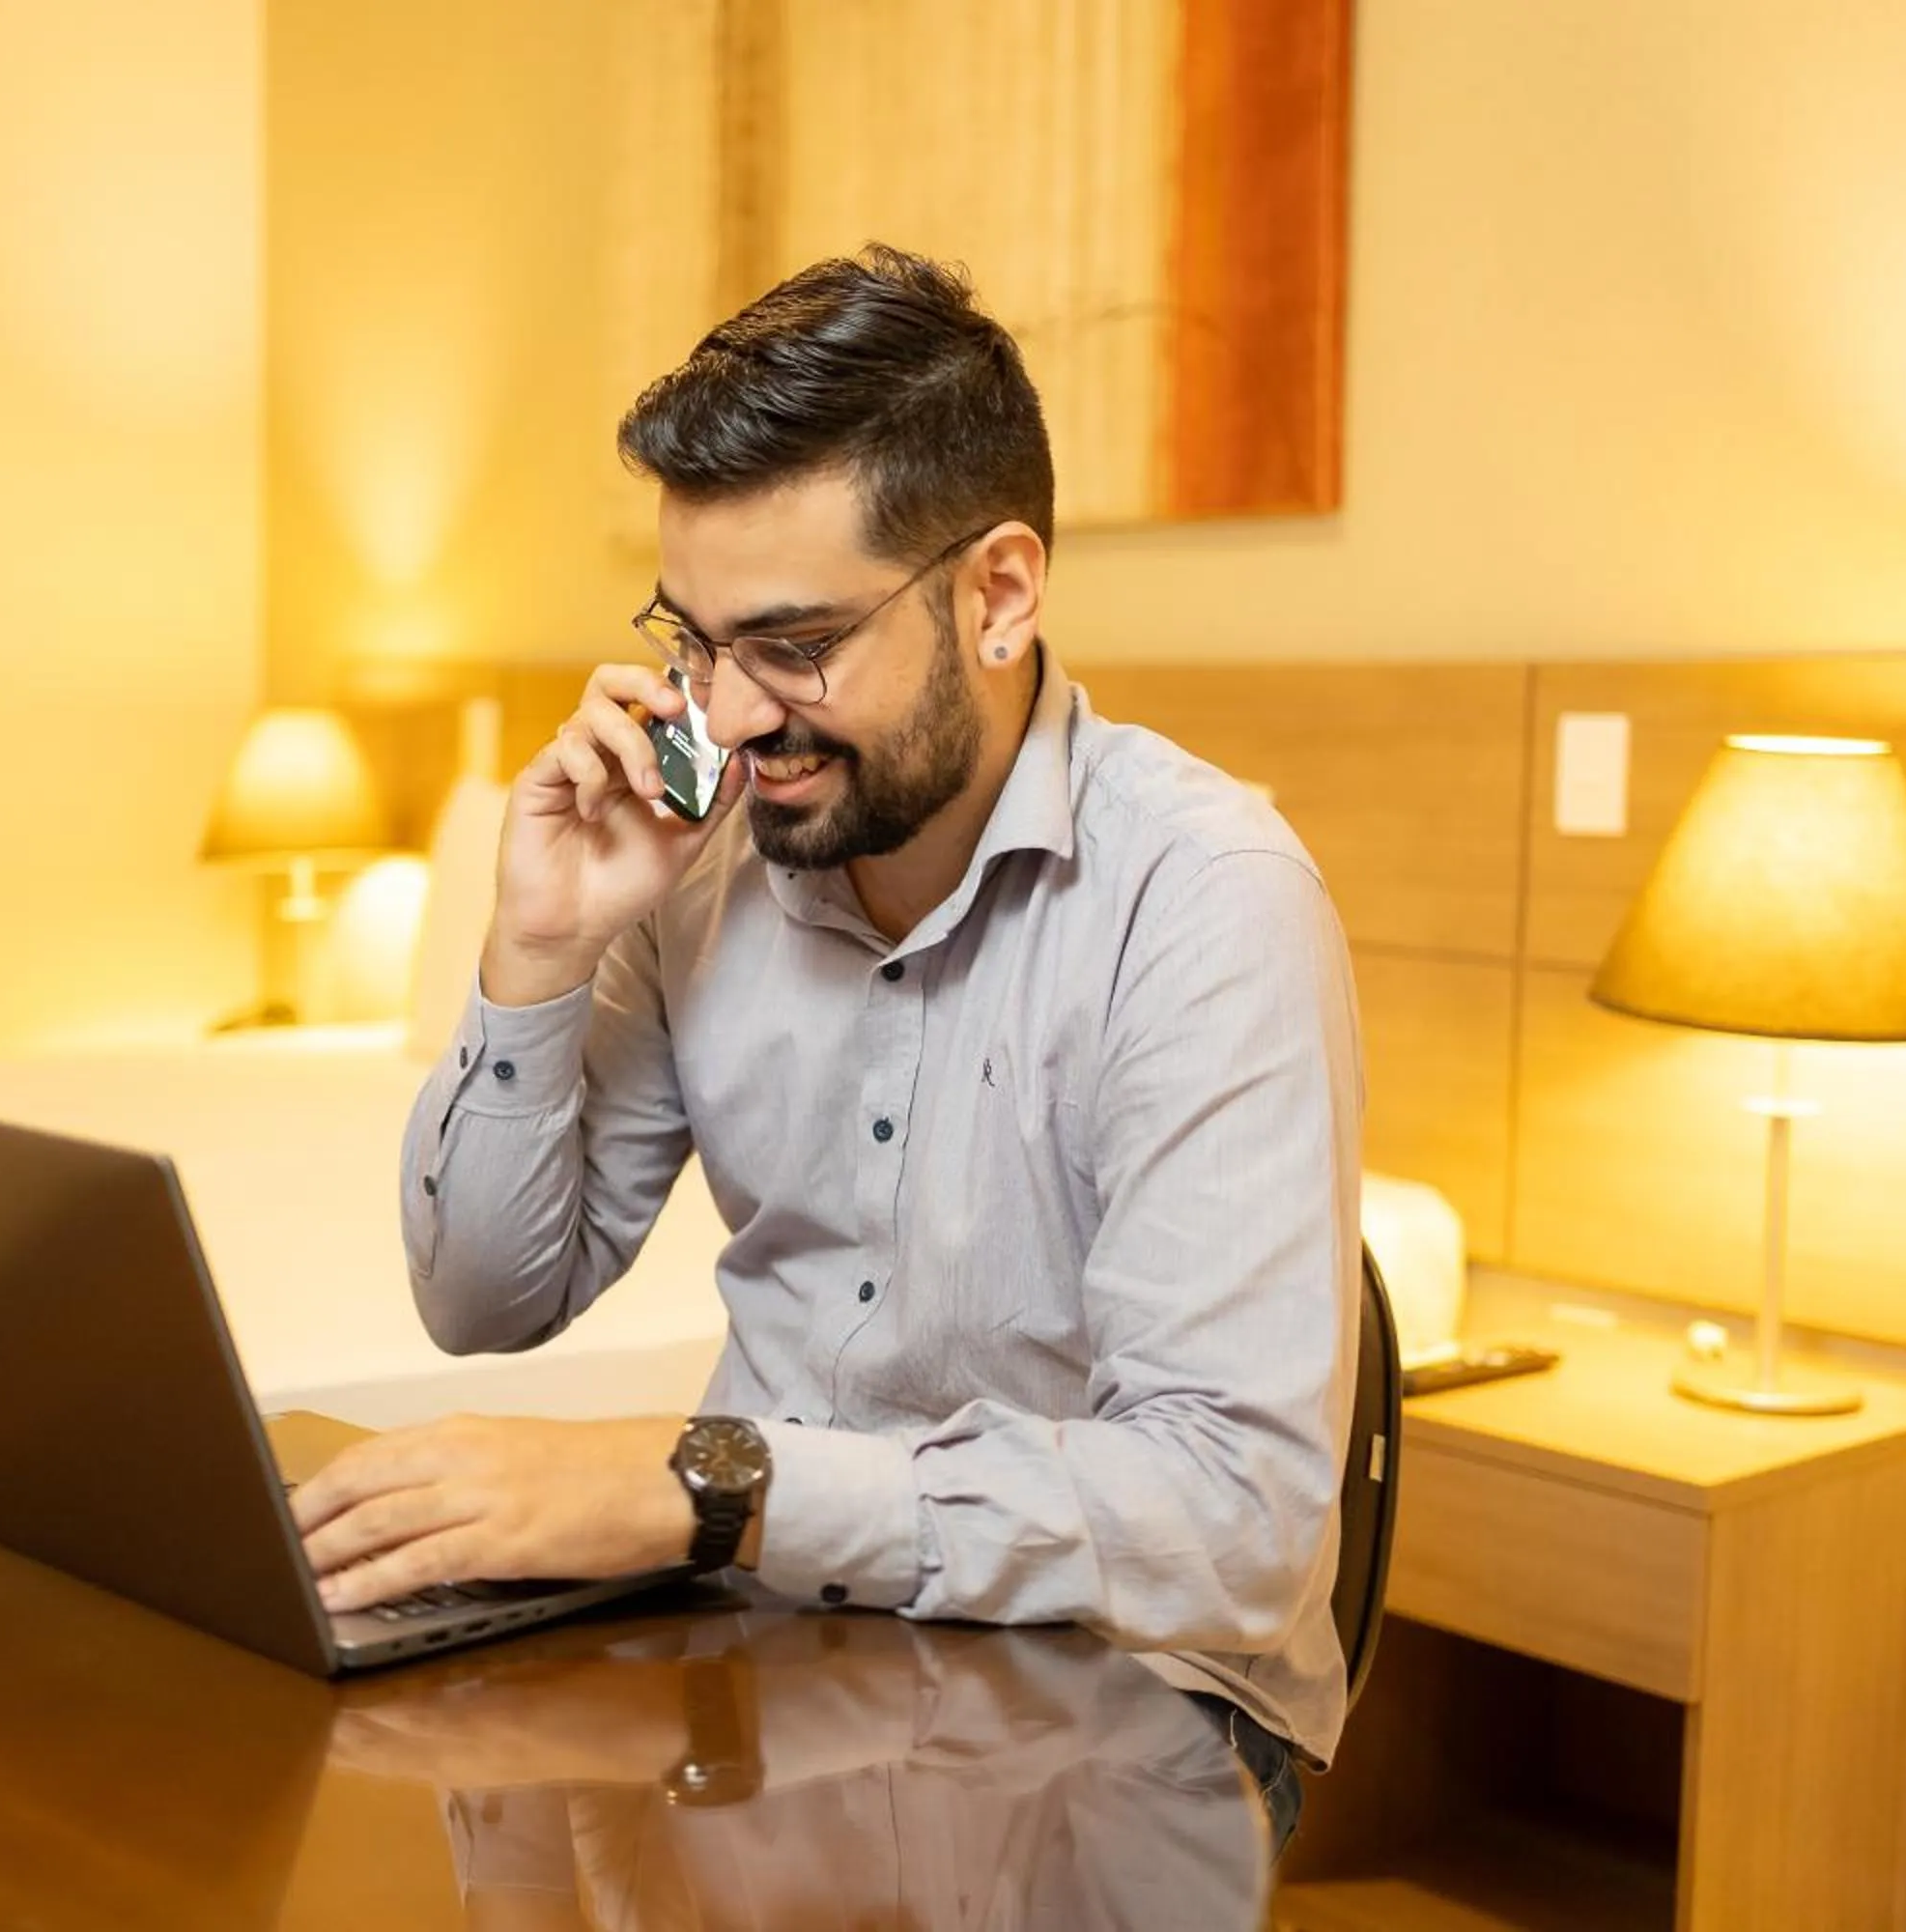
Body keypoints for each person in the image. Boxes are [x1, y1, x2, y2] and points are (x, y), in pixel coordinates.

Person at [288, 244, 1361, 1852]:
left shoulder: (1208, 906)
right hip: (779, 1645)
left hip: (1127, 1713)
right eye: (693, 640)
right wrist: (535, 951)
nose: (723, 714)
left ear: (998, 594)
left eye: (795, 645)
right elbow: (484, 1301)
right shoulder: (708, 858)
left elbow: (1236, 1519)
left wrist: (704, 1482)